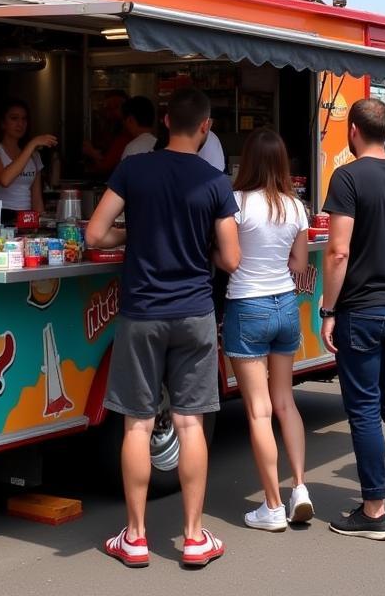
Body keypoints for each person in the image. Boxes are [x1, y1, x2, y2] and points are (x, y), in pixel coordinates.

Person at [86, 88, 240, 569]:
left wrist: (134, 233)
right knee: (191, 420)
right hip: (193, 312)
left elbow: (93, 234)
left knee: (136, 421)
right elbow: (231, 258)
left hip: (141, 313)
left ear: (167, 120)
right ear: (206, 127)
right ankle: (194, 538)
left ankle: (134, 537)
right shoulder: (216, 182)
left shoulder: (134, 169)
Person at [321, 98, 385, 540]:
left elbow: (338, 250)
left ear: (353, 132)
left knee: (363, 409)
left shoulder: (347, 177)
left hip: (361, 308)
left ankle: (373, 509)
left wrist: (328, 309)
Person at [224, 129, 313, 531]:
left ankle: (272, 507)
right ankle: (299, 488)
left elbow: (229, 259)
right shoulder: (296, 207)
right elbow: (298, 263)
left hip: (247, 304)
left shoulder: (237, 204)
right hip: (284, 305)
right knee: (285, 402)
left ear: (248, 162)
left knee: (259, 411)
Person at [0, 99, 56, 220]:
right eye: (14, 118)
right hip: (0, 215)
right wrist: (32, 144)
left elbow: (36, 198)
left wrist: (40, 221)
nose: (20, 124)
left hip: (27, 217)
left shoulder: (34, 155)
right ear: (2, 123)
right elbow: (4, 179)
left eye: (24, 119)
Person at [84, 89, 133, 177]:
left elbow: (105, 167)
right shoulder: (107, 130)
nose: (111, 112)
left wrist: (92, 153)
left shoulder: (125, 136)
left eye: (116, 107)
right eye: (108, 108)